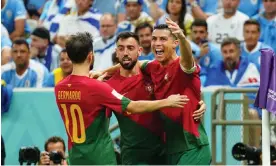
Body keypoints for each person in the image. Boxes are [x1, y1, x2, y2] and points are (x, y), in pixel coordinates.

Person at [54, 32, 188, 165]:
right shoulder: (99, 87)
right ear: (91, 56)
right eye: (121, 48)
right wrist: (167, 102)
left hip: (76, 158)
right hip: (101, 158)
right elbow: (132, 106)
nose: (125, 53)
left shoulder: (59, 88)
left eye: (130, 48)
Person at [93, 18, 211, 165]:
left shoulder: (182, 66)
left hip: (193, 146)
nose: (157, 43)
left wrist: (182, 37)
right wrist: (102, 71)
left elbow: (187, 59)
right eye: (154, 39)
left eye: (163, 39)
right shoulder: (153, 67)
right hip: (168, 150)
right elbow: (133, 62)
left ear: (175, 43)